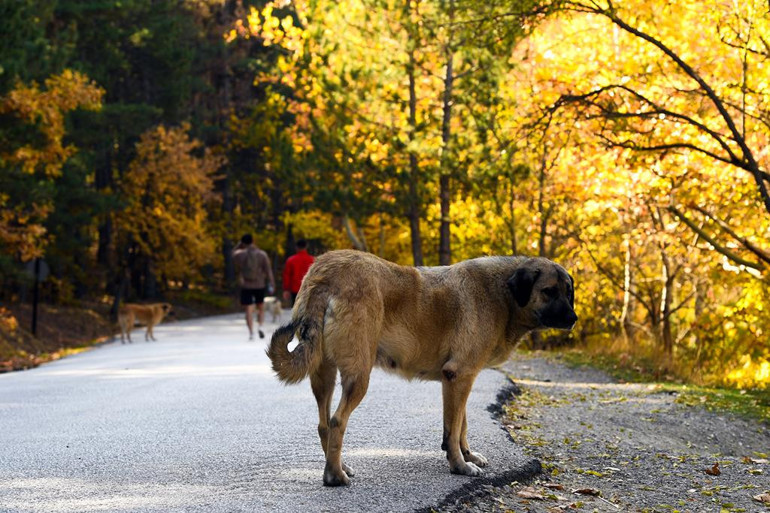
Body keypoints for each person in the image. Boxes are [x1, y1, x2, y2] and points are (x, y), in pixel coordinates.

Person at [232, 234, 275, 340]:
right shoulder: (262, 254)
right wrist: (272, 283)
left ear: (243, 243)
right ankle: (260, 326)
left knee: (248, 309)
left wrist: (238, 246)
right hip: (259, 284)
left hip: (246, 285)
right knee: (260, 307)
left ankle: (251, 332)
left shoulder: (240, 254)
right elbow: (268, 270)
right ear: (253, 241)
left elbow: (232, 254)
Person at [282, 239, 314, 306]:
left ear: (296, 247)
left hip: (295, 289)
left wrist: (286, 289)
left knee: (296, 309)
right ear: (306, 246)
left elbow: (287, 276)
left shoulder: (291, 260)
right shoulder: (313, 260)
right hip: (309, 289)